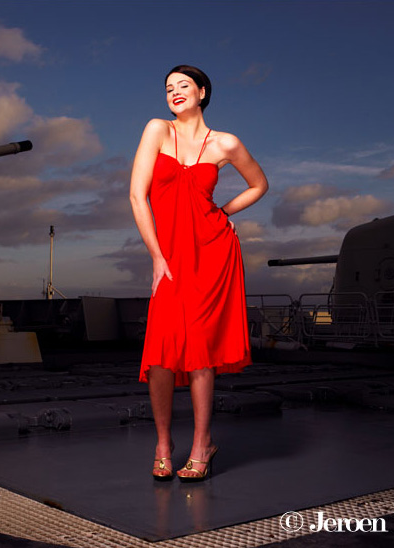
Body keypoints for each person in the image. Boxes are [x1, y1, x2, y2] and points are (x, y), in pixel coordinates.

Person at [129, 65, 268, 482]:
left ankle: (201, 444)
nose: (174, 92)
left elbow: (259, 184)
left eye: (183, 85)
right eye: (168, 87)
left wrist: (222, 213)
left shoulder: (225, 142)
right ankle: (163, 443)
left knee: (201, 351)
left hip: (212, 252)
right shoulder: (157, 130)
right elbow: (137, 196)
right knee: (161, 353)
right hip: (169, 257)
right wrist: (157, 257)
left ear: (202, 92)